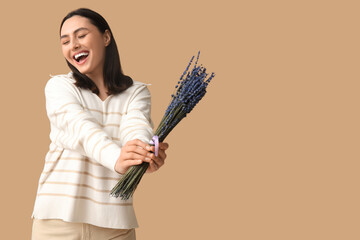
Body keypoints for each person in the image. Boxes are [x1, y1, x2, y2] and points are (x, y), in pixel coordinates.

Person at [31, 8, 169, 240]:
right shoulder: (59, 87)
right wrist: (118, 158)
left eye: (81, 35)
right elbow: (82, 130)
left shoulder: (137, 92)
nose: (73, 45)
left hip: (116, 224)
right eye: (65, 41)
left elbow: (137, 127)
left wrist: (142, 154)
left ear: (106, 37)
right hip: (57, 221)